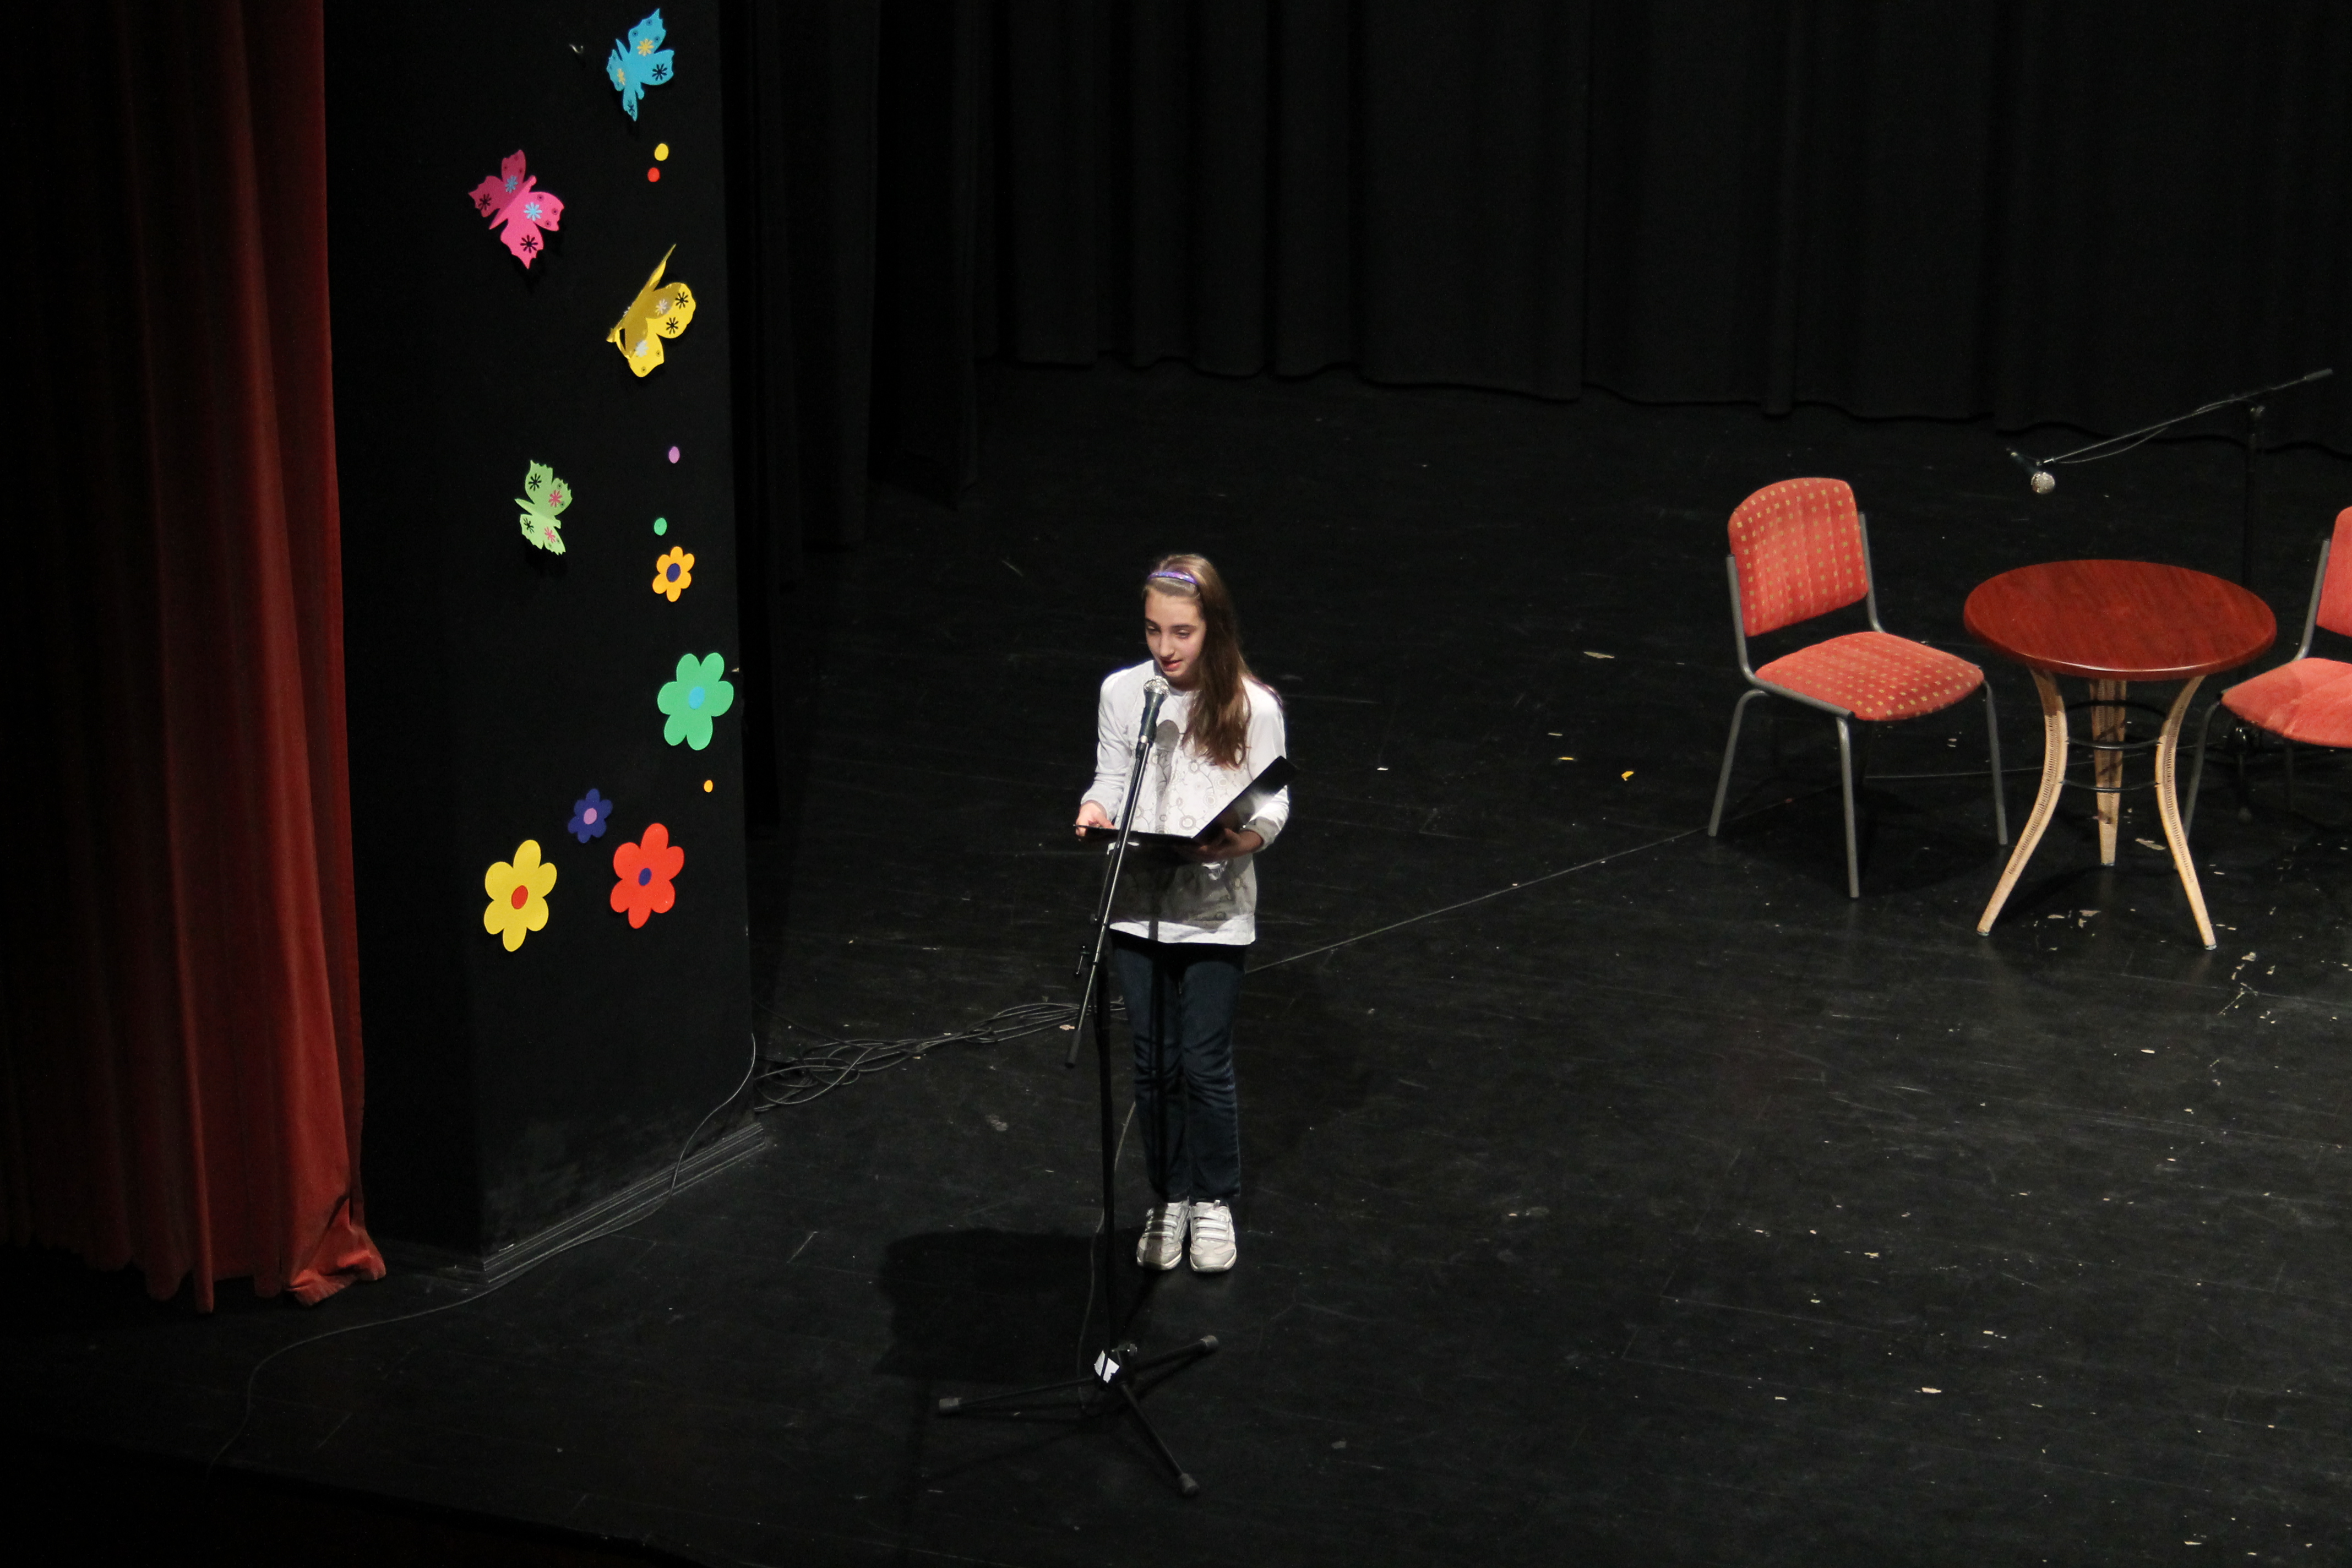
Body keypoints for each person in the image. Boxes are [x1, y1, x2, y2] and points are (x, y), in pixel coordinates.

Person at [1075, 553, 1289, 1274]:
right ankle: (1168, 1196)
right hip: (1138, 904)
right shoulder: (1125, 693)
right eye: (1152, 630)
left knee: (1203, 1063)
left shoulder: (1252, 706)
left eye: (1181, 633)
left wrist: (1240, 840)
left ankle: (1213, 1199)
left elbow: (1273, 802)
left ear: (1213, 629)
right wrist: (1095, 808)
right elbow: (1111, 775)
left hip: (1214, 909)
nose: (1164, 648)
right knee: (1153, 1063)